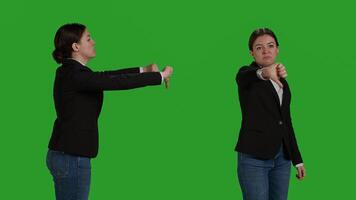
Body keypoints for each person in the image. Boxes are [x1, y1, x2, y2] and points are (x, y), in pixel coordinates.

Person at [46, 23, 173, 200]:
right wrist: (160, 76)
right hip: (71, 157)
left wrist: (144, 70)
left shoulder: (71, 72)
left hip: (64, 154)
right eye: (88, 38)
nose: (94, 42)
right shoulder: (75, 75)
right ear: (76, 46)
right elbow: (114, 83)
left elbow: (106, 77)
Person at [235, 28, 306, 200]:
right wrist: (265, 72)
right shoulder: (247, 75)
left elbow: (286, 122)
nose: (266, 50)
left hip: (282, 158)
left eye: (270, 45)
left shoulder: (283, 83)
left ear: (277, 49)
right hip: (254, 159)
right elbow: (243, 77)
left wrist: (297, 159)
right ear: (252, 53)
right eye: (259, 48)